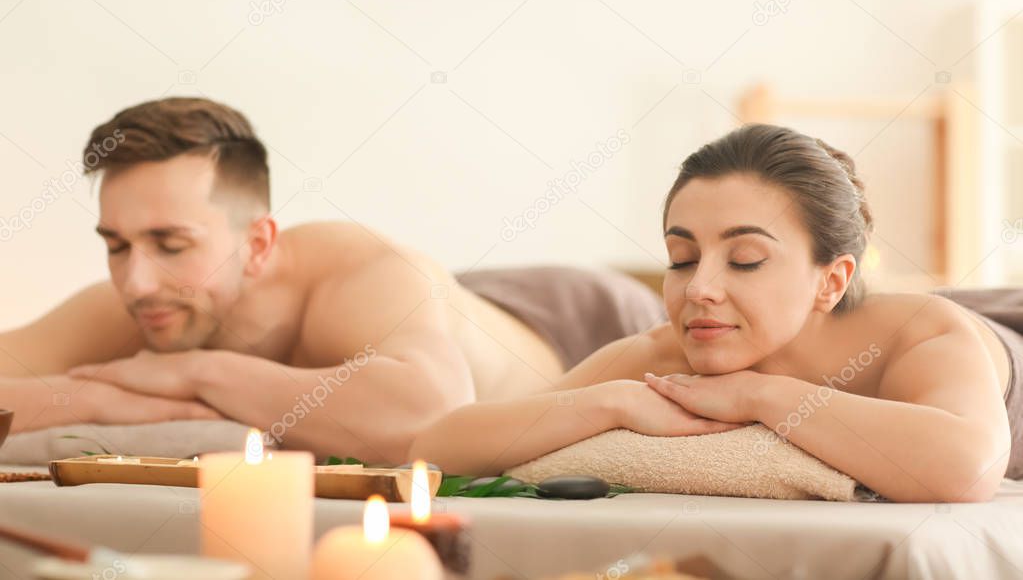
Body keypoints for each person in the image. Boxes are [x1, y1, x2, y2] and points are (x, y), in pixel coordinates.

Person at [0, 97, 664, 463]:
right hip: (444, 304)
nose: (137, 280)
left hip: (577, 322)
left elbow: (428, 419)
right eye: (116, 246)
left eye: (171, 245)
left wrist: (192, 373)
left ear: (257, 243)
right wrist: (98, 401)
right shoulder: (153, 301)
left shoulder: (357, 273)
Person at [409, 123, 1023, 503]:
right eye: (681, 258)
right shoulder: (659, 356)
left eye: (746, 259)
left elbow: (964, 471)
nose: (699, 289)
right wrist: (613, 402)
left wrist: (762, 396)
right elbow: (436, 447)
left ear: (831, 280)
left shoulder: (921, 334)